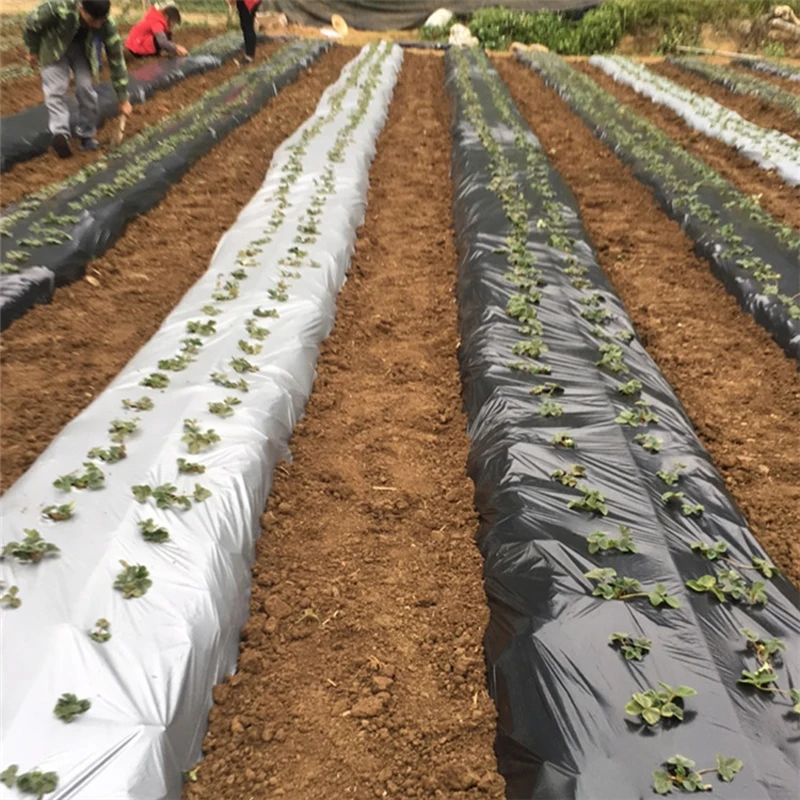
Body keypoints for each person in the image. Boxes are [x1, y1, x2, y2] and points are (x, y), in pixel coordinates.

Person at [23, 0, 132, 159]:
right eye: (93, 20)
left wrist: (123, 98)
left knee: (85, 88)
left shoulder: (106, 24)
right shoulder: (60, 7)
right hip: (53, 46)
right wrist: (32, 50)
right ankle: (60, 134)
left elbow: (116, 59)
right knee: (55, 89)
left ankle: (87, 136)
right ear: (81, 8)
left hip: (82, 50)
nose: (97, 25)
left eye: (101, 21)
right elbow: (32, 22)